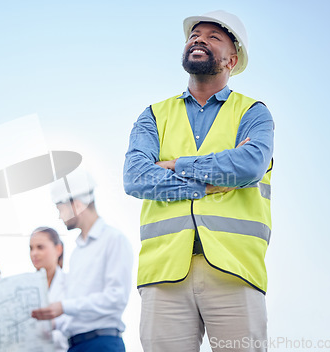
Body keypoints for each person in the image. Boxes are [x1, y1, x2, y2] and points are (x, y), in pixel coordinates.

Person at [123, 10, 274, 352]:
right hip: (163, 273)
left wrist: (176, 164)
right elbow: (135, 177)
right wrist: (205, 184)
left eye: (213, 36)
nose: (199, 39)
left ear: (232, 60)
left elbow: (248, 165)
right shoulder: (153, 115)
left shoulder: (253, 113)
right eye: (194, 35)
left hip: (234, 270)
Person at [31, 169, 133, 352]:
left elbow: (116, 298)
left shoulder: (113, 239)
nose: (59, 216)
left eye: (60, 209)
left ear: (76, 205)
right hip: (76, 344)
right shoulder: (78, 252)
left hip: (102, 343)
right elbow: (76, 309)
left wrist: (63, 307)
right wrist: (51, 322)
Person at [30, 226, 68, 352]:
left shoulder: (71, 283)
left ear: (58, 249)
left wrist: (42, 334)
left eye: (40, 247)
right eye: (31, 248)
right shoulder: (26, 288)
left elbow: (74, 330)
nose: (34, 253)